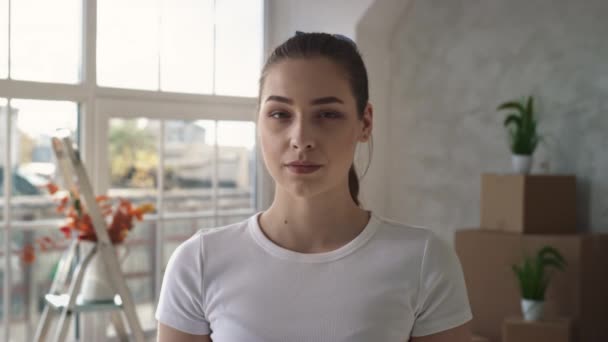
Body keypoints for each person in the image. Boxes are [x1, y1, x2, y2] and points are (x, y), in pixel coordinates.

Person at [156, 32, 473, 342]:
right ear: (258, 121)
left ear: (365, 123)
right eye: (280, 114)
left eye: (327, 114)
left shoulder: (424, 261)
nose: (301, 138)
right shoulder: (198, 263)